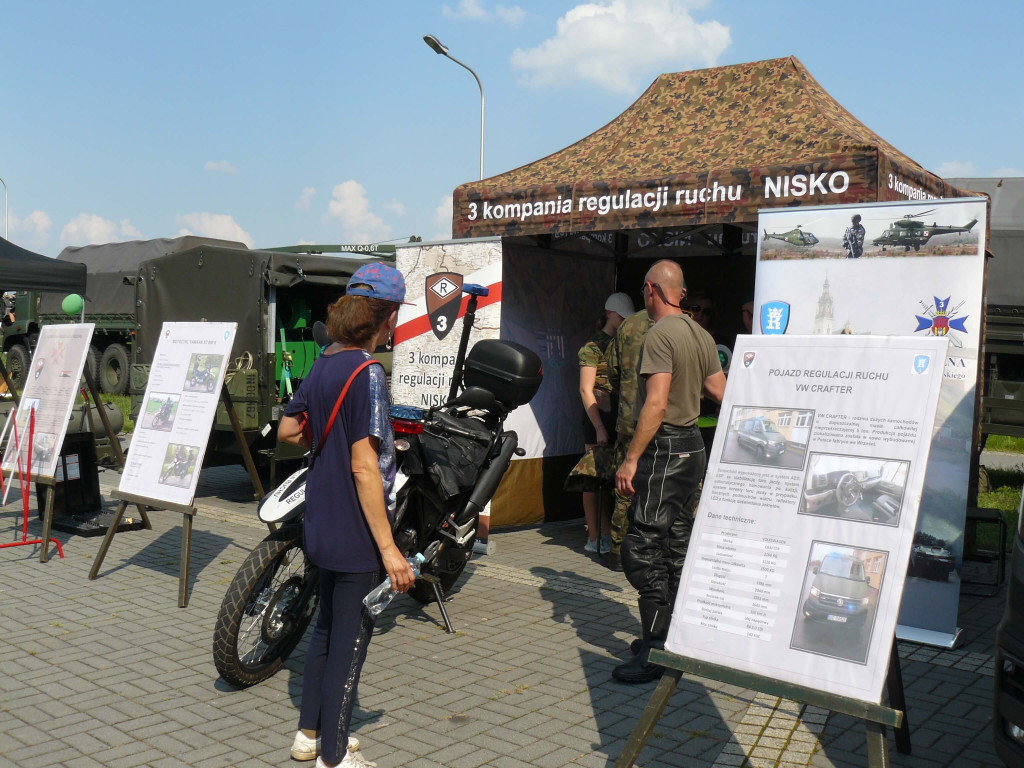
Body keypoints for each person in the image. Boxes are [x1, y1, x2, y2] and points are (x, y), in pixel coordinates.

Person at [278, 263, 415, 768]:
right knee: (350, 646)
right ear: (389, 317)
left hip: (321, 520)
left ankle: (309, 736)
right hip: (357, 529)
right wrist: (389, 549)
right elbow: (365, 468)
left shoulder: (323, 363)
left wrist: (329, 442)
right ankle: (334, 759)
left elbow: (289, 434)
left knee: (324, 632)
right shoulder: (368, 373)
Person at [613, 260, 726, 684]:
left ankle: (658, 647)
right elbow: (721, 392)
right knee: (676, 542)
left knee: (641, 546)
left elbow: (656, 403)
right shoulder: (701, 333)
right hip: (692, 447)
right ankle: (675, 637)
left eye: (645, 292)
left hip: (667, 449)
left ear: (651, 290)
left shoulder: (660, 333)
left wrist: (631, 460)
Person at [573, 292, 634, 554]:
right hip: (597, 413)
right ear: (609, 313)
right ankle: (595, 536)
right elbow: (586, 390)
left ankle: (609, 533)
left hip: (619, 414)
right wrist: (598, 426)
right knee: (593, 478)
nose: (623, 321)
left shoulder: (625, 342)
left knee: (611, 478)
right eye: (620, 316)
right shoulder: (592, 347)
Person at [603, 307, 654, 572]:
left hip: (628, 420)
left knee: (625, 487)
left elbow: (611, 371)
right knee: (660, 488)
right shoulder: (680, 324)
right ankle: (652, 552)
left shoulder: (628, 326)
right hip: (662, 423)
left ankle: (617, 552)